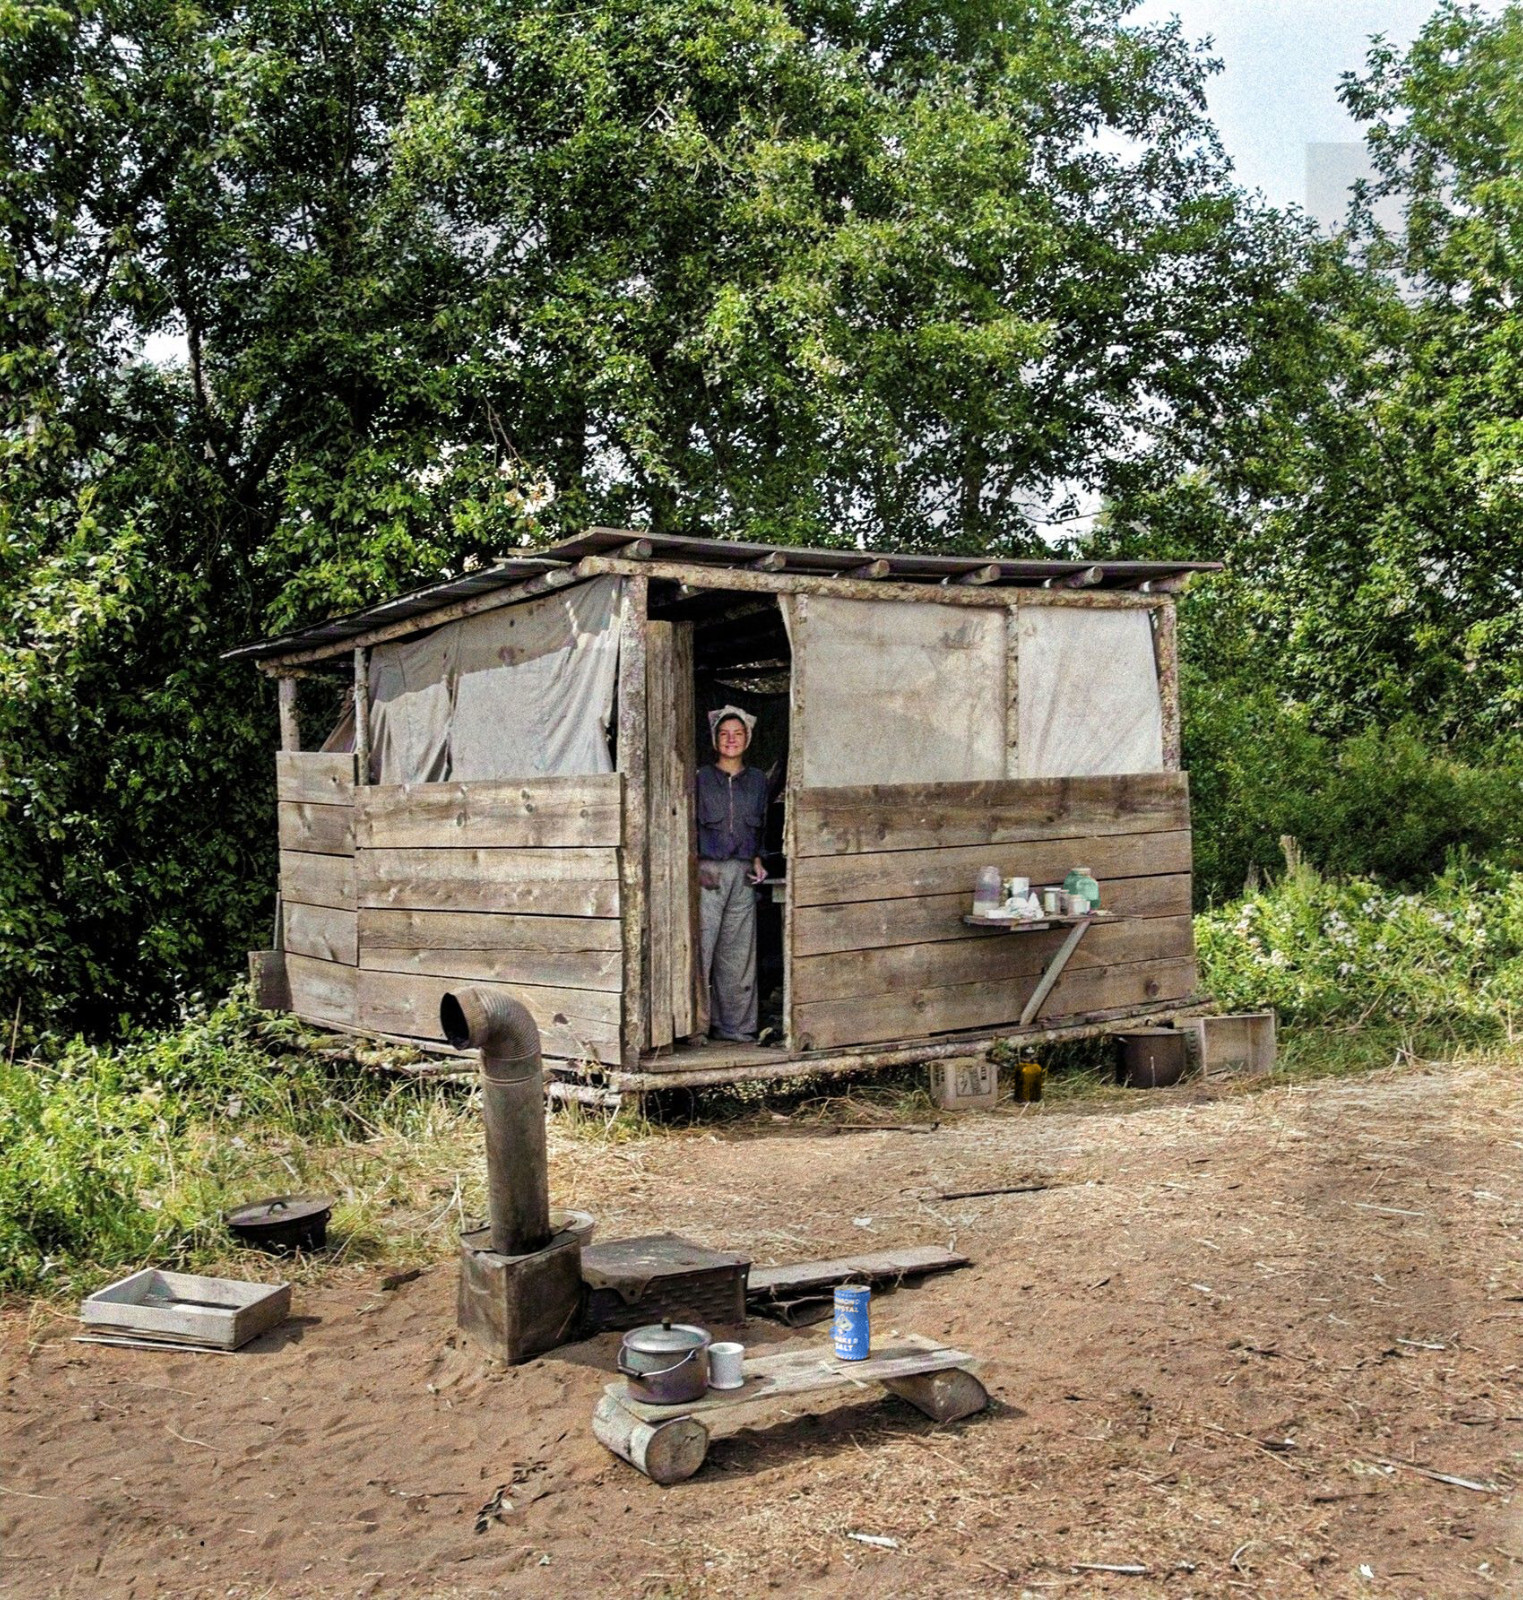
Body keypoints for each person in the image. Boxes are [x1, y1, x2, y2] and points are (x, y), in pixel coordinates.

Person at [696, 705, 768, 1042]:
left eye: (738, 734)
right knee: (701, 951)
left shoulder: (757, 781)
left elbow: (763, 826)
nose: (731, 740)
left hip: (741, 875)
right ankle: (695, 1027)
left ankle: (736, 1027)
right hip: (707, 876)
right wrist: (693, 865)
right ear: (714, 740)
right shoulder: (699, 779)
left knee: (738, 955)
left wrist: (758, 858)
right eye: (724, 734)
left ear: (748, 739)